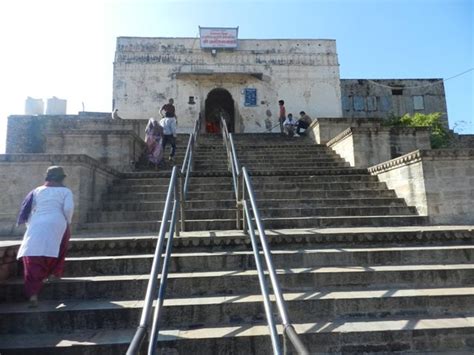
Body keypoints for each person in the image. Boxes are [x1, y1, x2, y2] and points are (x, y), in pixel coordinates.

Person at [16, 166, 74, 307]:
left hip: (37, 222)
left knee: (32, 256)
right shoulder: (65, 191)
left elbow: (29, 210)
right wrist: (67, 221)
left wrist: (30, 225)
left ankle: (33, 294)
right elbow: (68, 208)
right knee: (60, 246)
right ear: (62, 178)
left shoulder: (36, 191)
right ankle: (54, 273)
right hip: (57, 221)